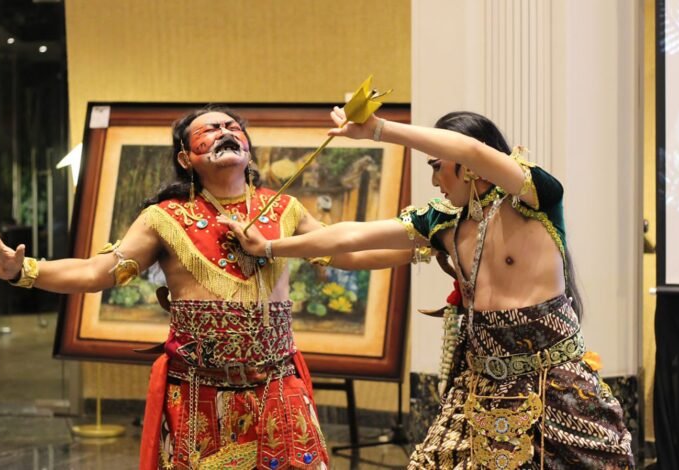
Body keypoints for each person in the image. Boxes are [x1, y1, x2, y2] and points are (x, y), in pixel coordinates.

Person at [0, 105, 413, 470]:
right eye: (210, 129)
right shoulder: (166, 218)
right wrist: (22, 271)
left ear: (249, 150)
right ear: (185, 157)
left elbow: (350, 254)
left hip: (278, 387)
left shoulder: (285, 210)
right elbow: (98, 273)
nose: (225, 132)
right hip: (199, 392)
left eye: (233, 127)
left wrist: (426, 246)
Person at [224, 107, 635, 469]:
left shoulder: (534, 198)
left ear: (465, 164)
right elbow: (349, 237)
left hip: (552, 386)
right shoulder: (442, 222)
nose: (435, 178)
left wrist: (380, 129)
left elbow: (472, 149)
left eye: (438, 165)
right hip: (479, 389)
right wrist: (272, 246)